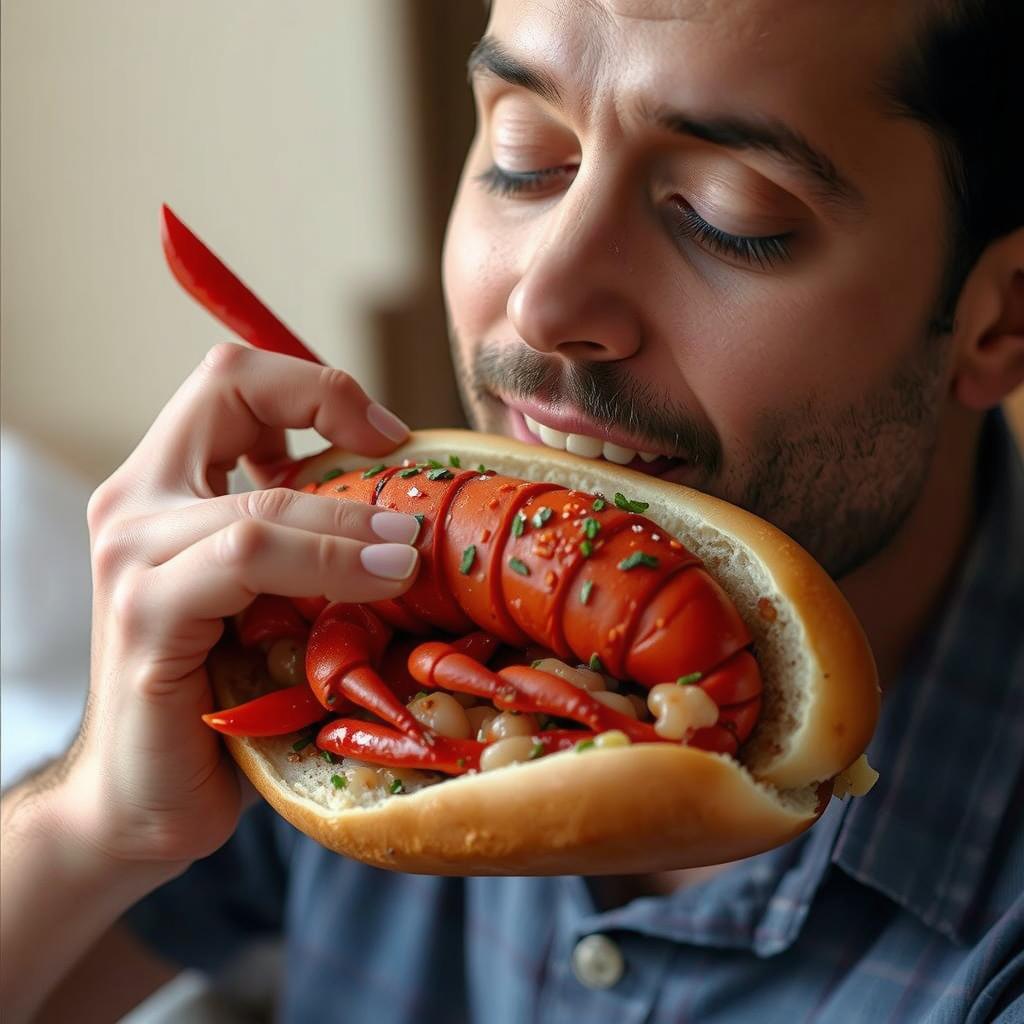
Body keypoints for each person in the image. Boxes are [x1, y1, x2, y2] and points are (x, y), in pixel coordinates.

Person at [3, 0, 1022, 1020]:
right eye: (524, 156)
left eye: (727, 215)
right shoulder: (331, 641)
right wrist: (89, 823)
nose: (543, 299)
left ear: (1000, 317)